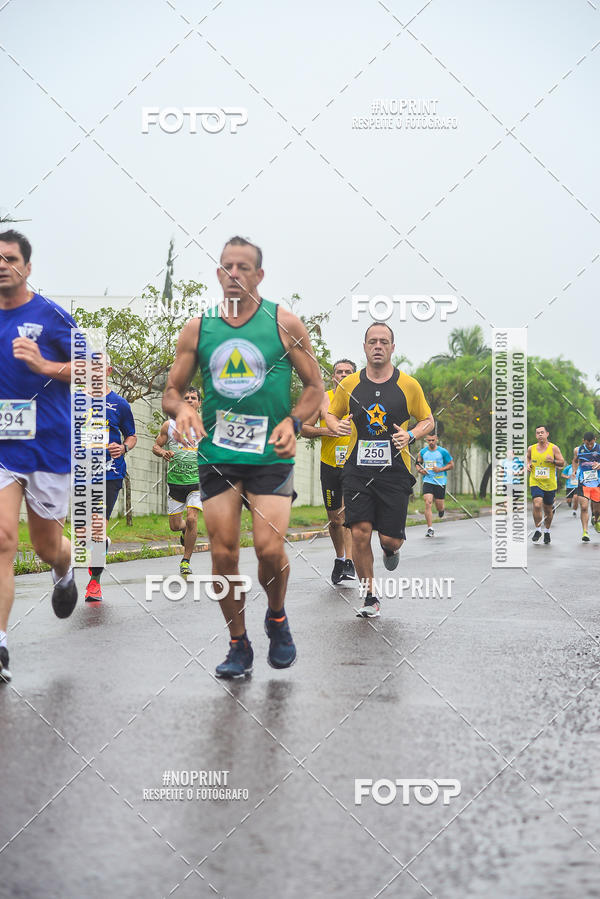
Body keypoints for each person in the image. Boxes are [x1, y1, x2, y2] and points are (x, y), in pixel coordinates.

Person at [163, 236, 323, 677]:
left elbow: (315, 388)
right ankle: (238, 643)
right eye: (227, 267)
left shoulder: (283, 322)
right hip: (218, 455)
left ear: (259, 275)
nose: (234, 274)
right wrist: (184, 409)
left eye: (244, 267)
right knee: (224, 555)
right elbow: (171, 392)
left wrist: (292, 422)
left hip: (271, 453)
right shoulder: (199, 328)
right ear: (218, 274)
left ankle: (276, 616)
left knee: (269, 548)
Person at [0, 231, 78, 681]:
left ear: (27, 267)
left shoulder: (49, 316)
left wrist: (44, 366)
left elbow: (95, 368)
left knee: (46, 546)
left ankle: (63, 568)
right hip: (2, 451)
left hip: (47, 447)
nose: (2, 264)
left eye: (10, 258)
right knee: (2, 541)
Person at [326, 323, 434, 618]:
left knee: (389, 538)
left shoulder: (408, 385)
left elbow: (428, 420)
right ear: (364, 347)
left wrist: (411, 435)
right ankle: (370, 596)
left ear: (392, 348)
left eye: (383, 342)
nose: (377, 346)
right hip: (357, 470)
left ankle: (390, 549)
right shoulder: (348, 385)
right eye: (372, 341)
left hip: (395, 471)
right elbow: (330, 413)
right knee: (359, 532)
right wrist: (336, 426)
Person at [84, 356, 137, 601]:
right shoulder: (75, 401)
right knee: (87, 531)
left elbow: (132, 436)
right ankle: (100, 544)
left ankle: (94, 582)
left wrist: (124, 448)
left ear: (108, 369)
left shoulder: (120, 404)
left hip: (110, 472)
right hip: (82, 473)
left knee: (96, 524)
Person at [301, 359, 356, 584]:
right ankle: (340, 558)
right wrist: (327, 430)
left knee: (348, 515)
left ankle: (350, 562)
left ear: (355, 375)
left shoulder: (361, 399)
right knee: (335, 519)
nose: (343, 375)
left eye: (348, 372)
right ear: (333, 376)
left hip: (354, 465)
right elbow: (304, 428)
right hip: (330, 464)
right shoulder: (324, 399)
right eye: (339, 372)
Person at [152, 386, 202, 579]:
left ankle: (185, 561)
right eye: (186, 397)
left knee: (192, 518)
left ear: (199, 403)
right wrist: (163, 452)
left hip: (197, 482)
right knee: (176, 525)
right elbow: (156, 445)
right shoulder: (169, 426)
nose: (189, 400)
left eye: (193, 398)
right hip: (175, 482)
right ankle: (186, 532)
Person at [526, 425, 564, 545]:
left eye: (542, 432)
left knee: (548, 509)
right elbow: (528, 458)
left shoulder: (554, 448)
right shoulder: (531, 448)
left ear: (547, 434)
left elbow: (562, 462)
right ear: (536, 435)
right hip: (535, 481)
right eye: (538, 433)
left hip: (549, 483)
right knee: (537, 504)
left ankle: (547, 531)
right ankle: (538, 530)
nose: (540, 435)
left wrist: (553, 461)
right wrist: (528, 464)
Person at [415, 434, 454, 537]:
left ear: (437, 439)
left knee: (439, 506)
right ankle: (430, 528)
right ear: (426, 440)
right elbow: (417, 463)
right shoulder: (423, 452)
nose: (431, 442)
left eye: (433, 440)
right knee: (428, 502)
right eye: (429, 440)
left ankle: (441, 510)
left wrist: (440, 469)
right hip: (428, 481)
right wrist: (420, 470)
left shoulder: (443, 452)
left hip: (440, 482)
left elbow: (451, 465)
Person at [572, 431, 600, 542]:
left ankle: (596, 519)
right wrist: (574, 471)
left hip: (597, 483)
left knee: (597, 510)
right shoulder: (577, 450)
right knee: (584, 507)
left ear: (595, 439)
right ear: (583, 441)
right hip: (583, 482)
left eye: (591, 443)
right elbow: (575, 461)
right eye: (587, 443)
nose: (589, 445)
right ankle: (585, 531)